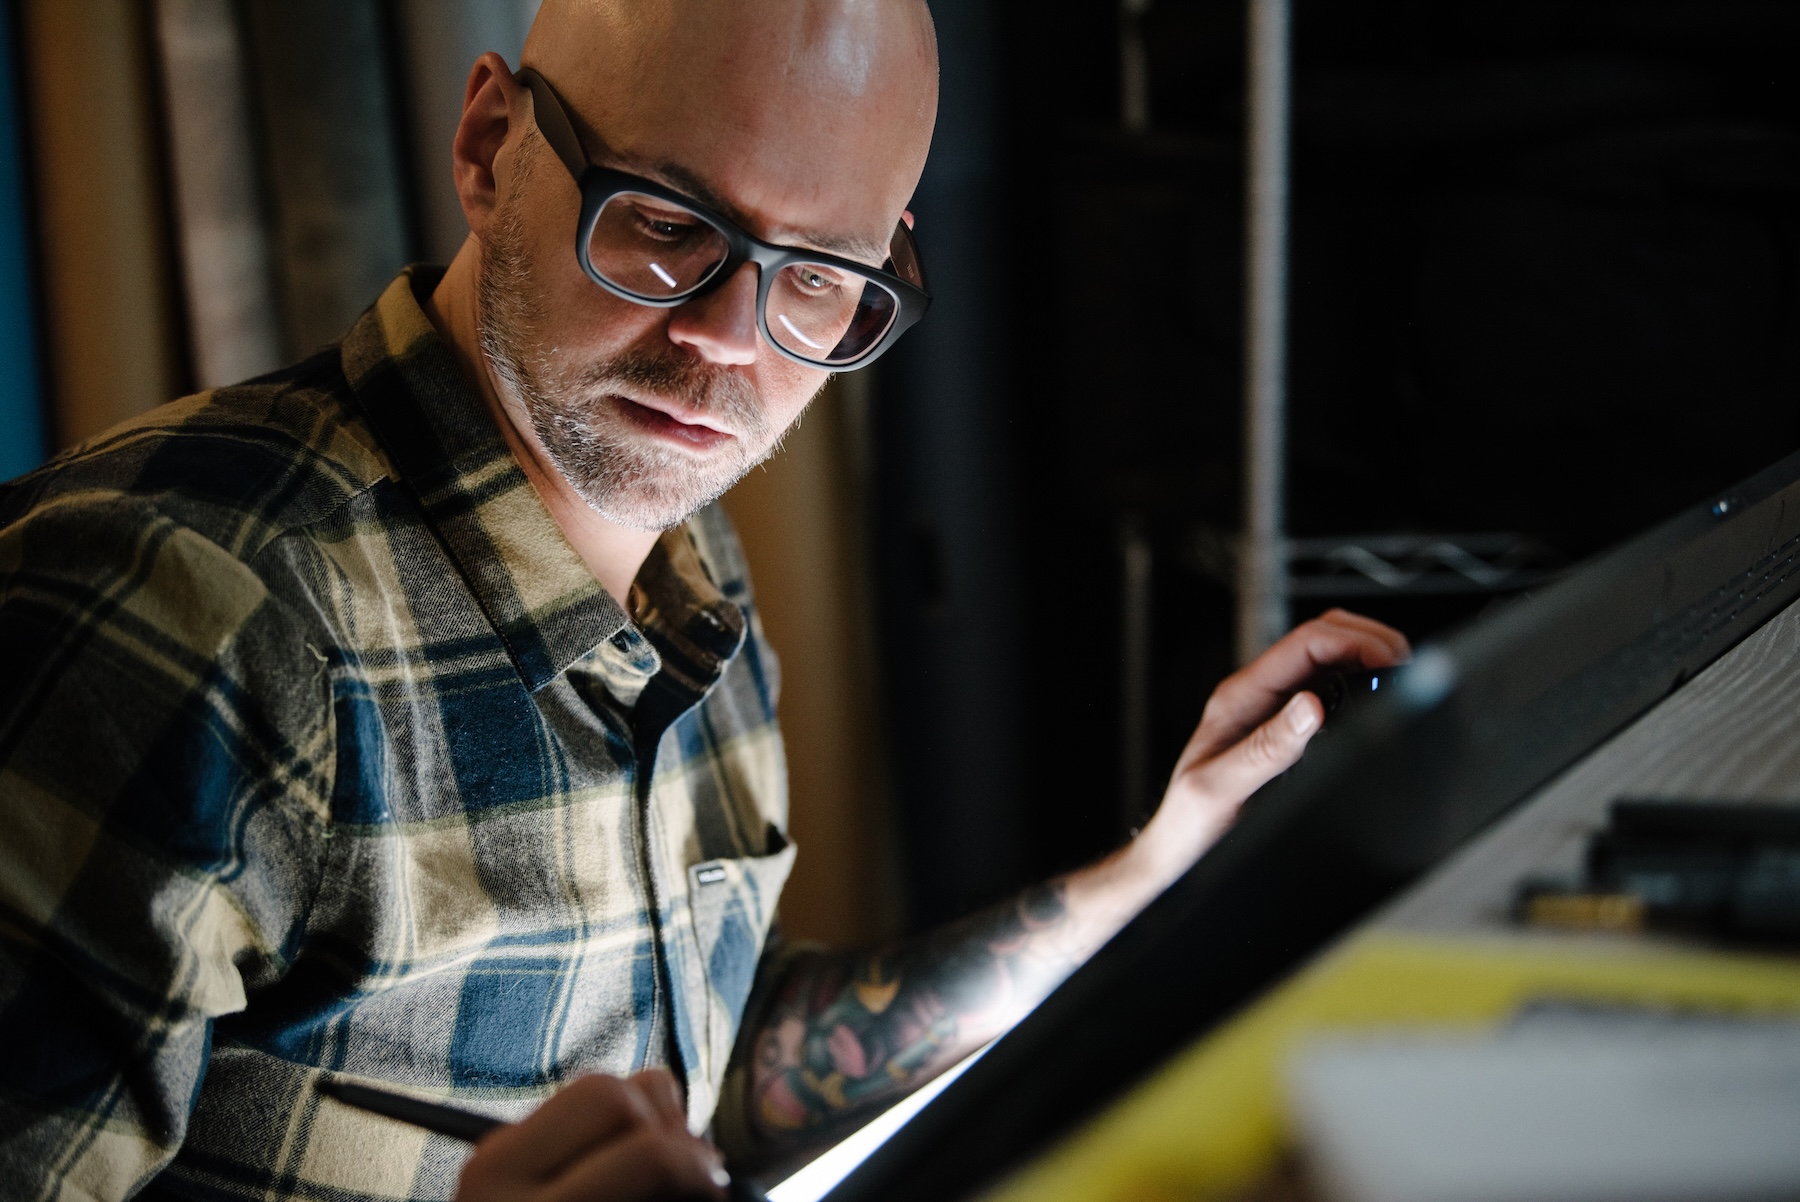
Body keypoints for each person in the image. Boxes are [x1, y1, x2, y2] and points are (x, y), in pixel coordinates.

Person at [0, 1, 1408, 1199]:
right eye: (670, 225)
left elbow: (715, 1077)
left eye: (819, 279)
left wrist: (1155, 872)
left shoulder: (689, 558)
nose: (728, 343)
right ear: (490, 147)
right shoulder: (190, 614)